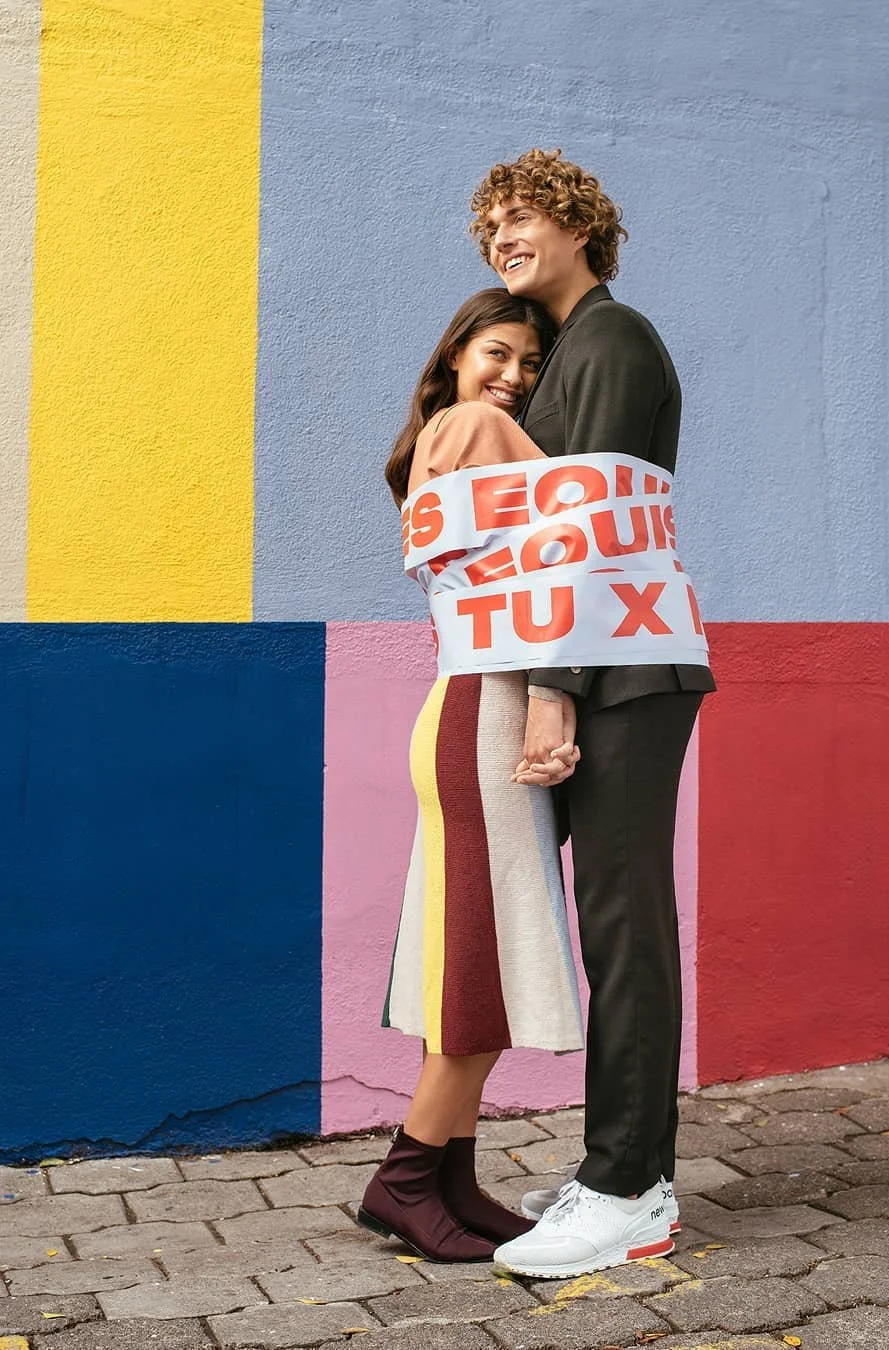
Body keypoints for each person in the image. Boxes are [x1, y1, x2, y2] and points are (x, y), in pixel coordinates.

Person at [467, 149, 717, 1278]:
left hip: (623, 672)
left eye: (522, 216)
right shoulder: (566, 350)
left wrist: (551, 695)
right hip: (599, 663)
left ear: (580, 227)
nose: (502, 237)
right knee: (614, 925)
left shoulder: (612, 339)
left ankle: (629, 1192)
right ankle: (620, 1168)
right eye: (491, 226)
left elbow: (593, 528)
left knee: (623, 929)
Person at [357, 290, 584, 1263]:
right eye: (498, 352)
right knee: (478, 968)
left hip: (466, 708)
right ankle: (404, 1181)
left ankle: (450, 1179)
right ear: (455, 353)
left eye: (531, 364)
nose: (515, 378)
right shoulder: (475, 426)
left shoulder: (442, 436)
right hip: (483, 716)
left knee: (470, 957)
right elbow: (575, 536)